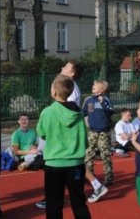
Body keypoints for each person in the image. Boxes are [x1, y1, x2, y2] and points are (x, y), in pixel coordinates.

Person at [36, 60, 107, 208]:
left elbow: (66, 113)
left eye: (66, 66)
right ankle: (95, 185)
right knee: (69, 165)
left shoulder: (70, 90)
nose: (62, 67)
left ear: (72, 73)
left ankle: (94, 186)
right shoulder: (68, 86)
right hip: (64, 135)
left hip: (63, 135)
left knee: (63, 165)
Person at [36, 74, 91, 219]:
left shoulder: (48, 112)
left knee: (54, 203)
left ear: (54, 92)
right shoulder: (78, 113)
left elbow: (41, 133)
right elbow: (84, 140)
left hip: (54, 164)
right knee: (79, 202)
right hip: (76, 164)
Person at [82, 80, 114, 186]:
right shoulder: (89, 100)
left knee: (105, 154)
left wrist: (103, 103)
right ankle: (89, 175)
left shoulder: (105, 100)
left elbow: (110, 111)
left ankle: (108, 177)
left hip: (104, 131)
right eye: (93, 85)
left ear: (102, 89)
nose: (93, 86)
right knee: (89, 153)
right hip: (92, 131)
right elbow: (85, 112)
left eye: (96, 86)